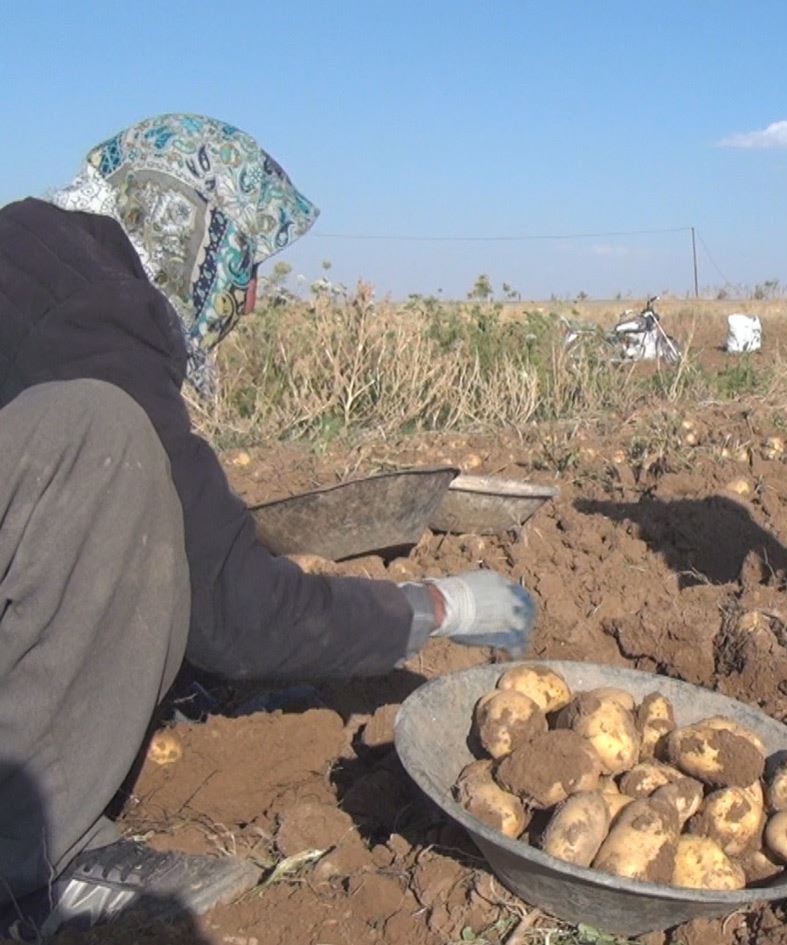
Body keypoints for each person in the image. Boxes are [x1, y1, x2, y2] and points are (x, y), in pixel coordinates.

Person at [0, 114, 538, 940]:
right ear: (184, 224)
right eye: (241, 259)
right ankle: (32, 866)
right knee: (101, 442)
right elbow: (239, 613)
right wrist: (435, 605)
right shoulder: (92, 307)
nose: (248, 295)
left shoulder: (40, 261)